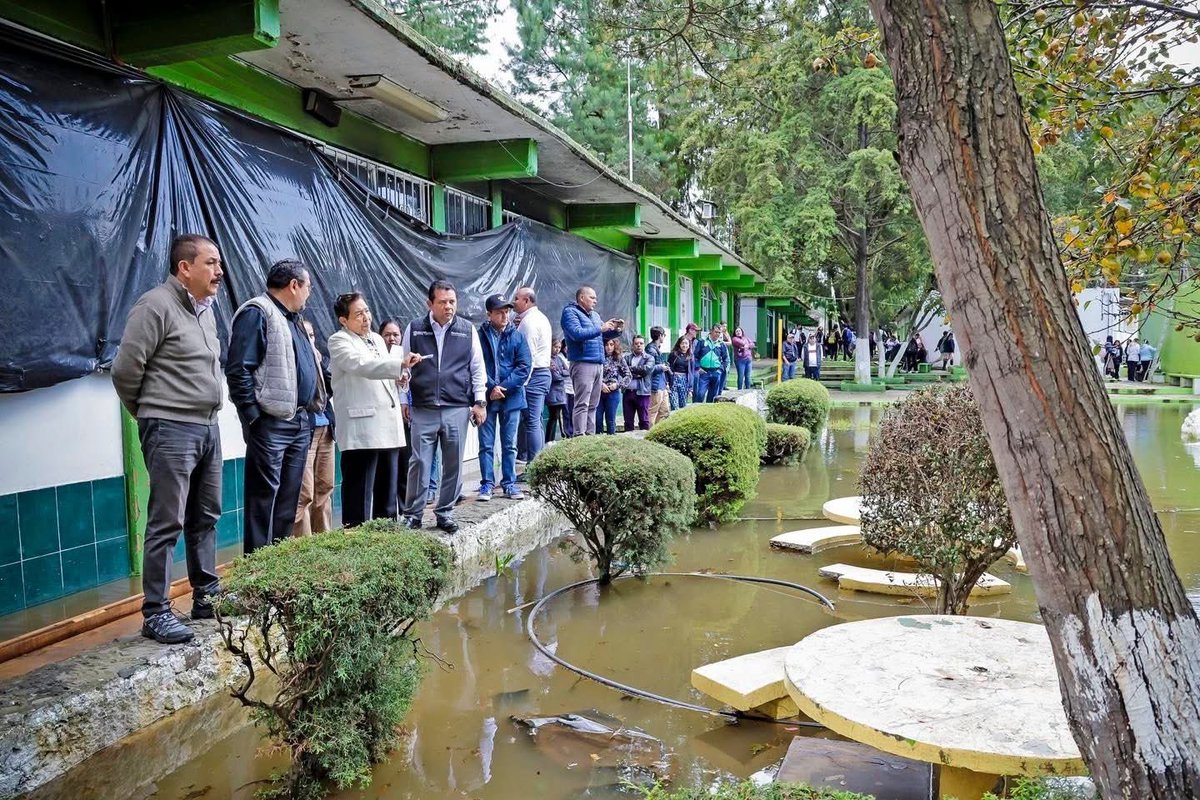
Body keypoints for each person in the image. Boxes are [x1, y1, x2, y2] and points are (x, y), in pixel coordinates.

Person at [112, 234, 224, 644]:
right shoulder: (156, 305)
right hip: (170, 426)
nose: (219, 271)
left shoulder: (206, 311)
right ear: (185, 268)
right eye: (211, 263)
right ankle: (156, 611)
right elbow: (125, 371)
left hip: (208, 426)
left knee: (206, 515)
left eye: (218, 263)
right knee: (167, 520)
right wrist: (150, 414)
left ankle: (206, 595)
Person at [227, 259, 324, 555]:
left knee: (288, 501)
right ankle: (257, 567)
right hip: (270, 423)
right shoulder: (258, 312)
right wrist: (253, 418)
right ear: (294, 285)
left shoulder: (294, 319)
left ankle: (278, 565)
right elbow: (239, 370)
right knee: (263, 501)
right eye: (307, 287)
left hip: (299, 421)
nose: (309, 294)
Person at [399, 280, 488, 534]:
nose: (448, 307)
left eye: (452, 302)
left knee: (453, 464)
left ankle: (445, 512)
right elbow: (403, 367)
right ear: (430, 303)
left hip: (456, 407)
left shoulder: (466, 330)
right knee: (419, 463)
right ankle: (413, 515)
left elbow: (477, 368)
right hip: (423, 407)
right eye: (442, 302)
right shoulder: (415, 329)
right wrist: (404, 399)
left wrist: (480, 402)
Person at [328, 293, 417, 527]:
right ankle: (356, 538)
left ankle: (385, 537)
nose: (366, 317)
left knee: (387, 491)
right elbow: (362, 366)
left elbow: (383, 374)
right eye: (358, 314)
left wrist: (400, 376)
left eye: (366, 311)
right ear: (343, 320)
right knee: (359, 492)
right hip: (362, 428)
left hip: (388, 424)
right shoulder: (339, 341)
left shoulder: (377, 339)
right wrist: (398, 365)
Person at [477, 295, 532, 501]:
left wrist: (503, 387)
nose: (504, 316)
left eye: (507, 311)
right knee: (486, 444)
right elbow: (476, 365)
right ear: (489, 314)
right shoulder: (479, 336)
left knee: (510, 444)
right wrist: (491, 387)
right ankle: (487, 484)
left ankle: (509, 483)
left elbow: (524, 366)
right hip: (487, 398)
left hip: (512, 397)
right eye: (499, 312)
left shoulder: (517, 336)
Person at [293, 318, 335, 537]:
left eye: (312, 336)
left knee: (325, 489)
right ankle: (304, 546)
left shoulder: (319, 359)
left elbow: (331, 388)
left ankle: (324, 542)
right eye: (305, 336)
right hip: (305, 430)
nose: (310, 340)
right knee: (304, 493)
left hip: (325, 428)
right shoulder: (295, 359)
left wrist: (320, 364)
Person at [561, 286, 622, 435]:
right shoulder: (570, 312)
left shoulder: (594, 315)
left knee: (593, 404)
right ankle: (579, 436)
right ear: (582, 298)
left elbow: (602, 335)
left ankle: (589, 436)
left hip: (598, 362)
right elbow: (577, 334)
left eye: (595, 298)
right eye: (592, 297)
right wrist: (601, 328)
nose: (595, 301)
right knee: (582, 403)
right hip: (582, 362)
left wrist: (616, 330)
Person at [513, 287, 552, 466]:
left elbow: (528, 356)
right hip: (540, 374)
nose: (514, 302)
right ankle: (537, 463)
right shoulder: (539, 318)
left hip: (533, 375)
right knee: (535, 421)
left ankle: (534, 465)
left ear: (527, 300)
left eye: (517, 298)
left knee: (532, 422)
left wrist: (522, 382)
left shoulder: (529, 323)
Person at [596, 338, 630, 434]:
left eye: (611, 344)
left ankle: (611, 440)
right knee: (597, 419)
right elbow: (591, 374)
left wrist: (618, 385)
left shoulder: (619, 358)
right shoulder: (598, 357)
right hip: (598, 391)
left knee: (610, 420)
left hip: (613, 392)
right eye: (606, 345)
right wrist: (600, 384)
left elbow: (628, 375)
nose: (609, 347)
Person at [623, 335, 655, 431]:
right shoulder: (627, 358)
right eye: (636, 343)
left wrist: (630, 370)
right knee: (628, 421)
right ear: (633, 345)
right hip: (628, 392)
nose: (639, 345)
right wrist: (638, 373)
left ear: (644, 345)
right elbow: (622, 371)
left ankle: (644, 439)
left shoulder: (649, 358)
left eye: (641, 343)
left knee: (644, 420)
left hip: (642, 392)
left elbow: (645, 370)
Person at [693, 324, 728, 403]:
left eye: (719, 332)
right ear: (711, 331)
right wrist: (698, 367)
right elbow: (695, 356)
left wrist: (720, 370)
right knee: (700, 394)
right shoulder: (702, 341)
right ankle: (698, 408)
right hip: (704, 372)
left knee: (712, 396)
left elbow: (726, 359)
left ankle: (708, 409)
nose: (717, 334)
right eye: (716, 332)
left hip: (716, 372)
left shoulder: (721, 344)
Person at [646, 326, 671, 426]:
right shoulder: (650, 349)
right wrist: (661, 367)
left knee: (665, 411)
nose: (664, 337)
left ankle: (657, 430)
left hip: (662, 384)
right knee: (652, 411)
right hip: (655, 385)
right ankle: (649, 431)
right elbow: (648, 368)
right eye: (664, 335)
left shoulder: (656, 349)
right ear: (660, 335)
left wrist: (666, 383)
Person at [546, 339, 570, 442]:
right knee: (553, 417)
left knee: (556, 417)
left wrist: (560, 372)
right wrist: (561, 373)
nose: (557, 349)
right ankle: (549, 440)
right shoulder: (548, 359)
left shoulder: (559, 359)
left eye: (559, 347)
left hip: (560, 392)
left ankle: (551, 440)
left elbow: (568, 371)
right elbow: (555, 377)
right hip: (552, 392)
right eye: (555, 347)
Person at [668, 335, 693, 411]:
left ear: (689, 345)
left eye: (686, 343)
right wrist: (667, 383)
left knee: (683, 405)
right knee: (674, 404)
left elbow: (691, 373)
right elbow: (668, 368)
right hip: (674, 380)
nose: (684, 345)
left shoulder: (691, 356)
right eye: (682, 343)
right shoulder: (673, 354)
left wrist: (690, 388)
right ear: (679, 344)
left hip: (684, 380)